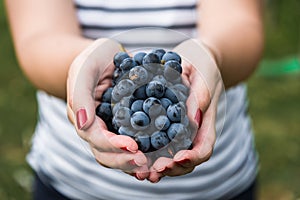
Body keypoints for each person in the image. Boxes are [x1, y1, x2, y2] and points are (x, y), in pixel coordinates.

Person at [5, 0, 264, 199]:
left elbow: (241, 26)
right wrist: (82, 64)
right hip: (74, 182)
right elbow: (37, 39)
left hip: (218, 182)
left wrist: (211, 55)